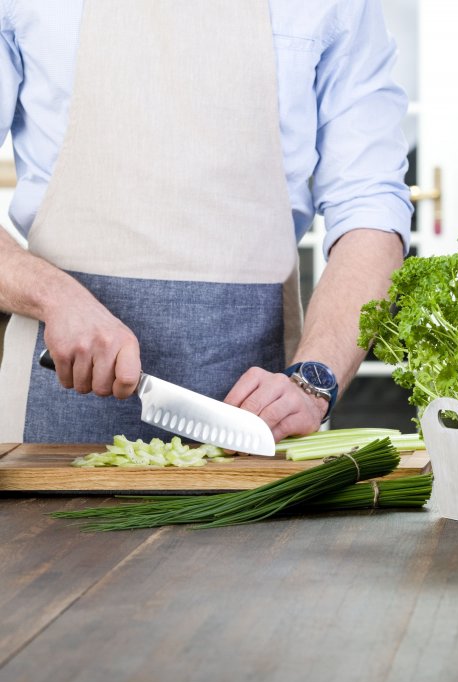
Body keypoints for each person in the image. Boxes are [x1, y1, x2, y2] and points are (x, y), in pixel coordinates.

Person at [0, 0, 411, 444]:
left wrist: (312, 383)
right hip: (56, 393)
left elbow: (371, 207)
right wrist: (55, 296)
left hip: (254, 413)